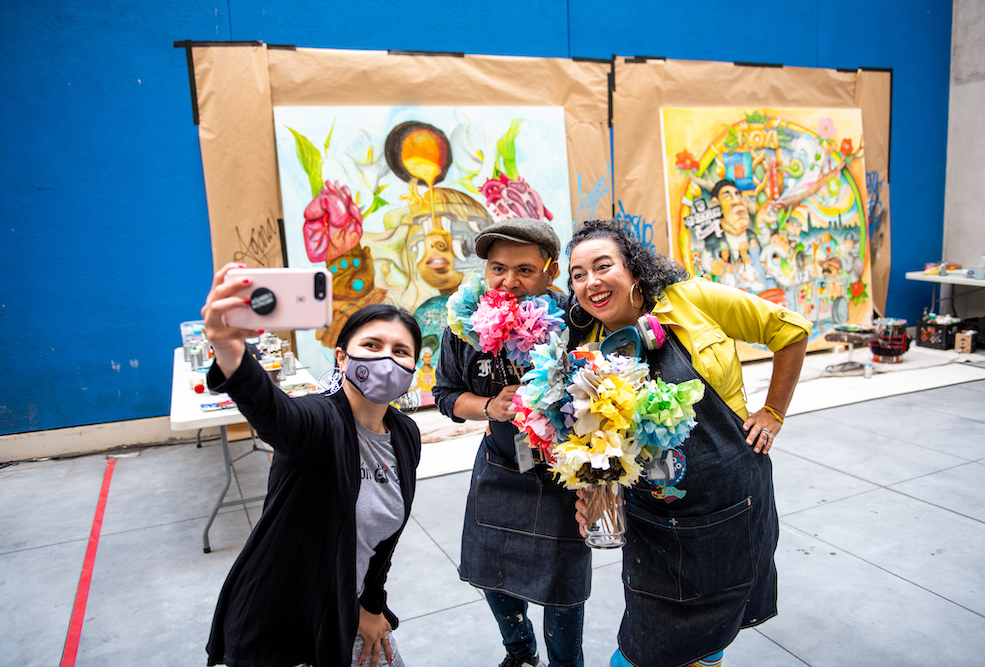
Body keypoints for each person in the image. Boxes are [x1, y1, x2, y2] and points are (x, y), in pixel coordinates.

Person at [565, 220, 811, 667]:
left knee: (714, 630)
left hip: (732, 497)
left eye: (603, 266)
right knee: (645, 646)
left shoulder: (692, 300)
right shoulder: (589, 349)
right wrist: (591, 496)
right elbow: (596, 442)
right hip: (654, 518)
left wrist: (772, 413)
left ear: (634, 269)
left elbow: (790, 331)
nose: (591, 282)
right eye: (578, 274)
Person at [202, 263, 423, 667]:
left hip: (344, 610)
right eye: (372, 345)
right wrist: (233, 356)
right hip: (278, 621)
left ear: (412, 369)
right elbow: (277, 416)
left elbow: (380, 545)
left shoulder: (405, 435)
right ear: (342, 357)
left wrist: (370, 604)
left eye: (401, 351)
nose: (386, 359)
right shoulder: (318, 421)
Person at [432, 218, 590, 667]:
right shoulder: (465, 323)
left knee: (563, 587)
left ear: (550, 271)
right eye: (498, 268)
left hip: (568, 473)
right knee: (489, 573)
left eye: (524, 270)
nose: (509, 281)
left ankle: (565, 664)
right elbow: (445, 395)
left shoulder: (577, 317)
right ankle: (520, 652)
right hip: (502, 466)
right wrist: (488, 407)